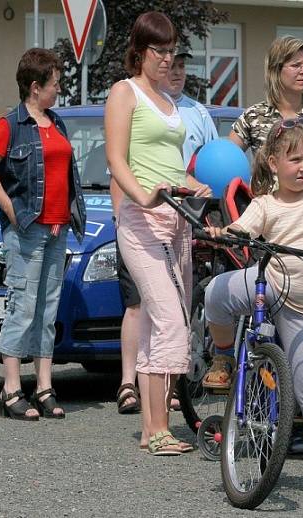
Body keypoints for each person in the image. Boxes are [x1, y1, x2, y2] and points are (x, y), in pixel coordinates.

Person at [203, 120, 303, 499]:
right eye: (295, 160)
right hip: (269, 286)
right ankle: (223, 359)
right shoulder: (265, 204)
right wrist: (226, 233)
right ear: (273, 163)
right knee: (214, 293)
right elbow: (243, 229)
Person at [104, 11, 210, 455]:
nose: (168, 59)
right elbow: (116, 160)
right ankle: (162, 426)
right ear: (140, 52)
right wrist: (143, 198)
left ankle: (152, 429)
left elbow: (172, 161)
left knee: (155, 323)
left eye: (173, 51)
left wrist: (196, 186)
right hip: (142, 219)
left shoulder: (169, 102)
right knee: (169, 319)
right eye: (161, 51)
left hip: (178, 217)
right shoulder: (124, 93)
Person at [0, 48, 86, 420]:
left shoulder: (57, 122)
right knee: (21, 307)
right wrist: (11, 209)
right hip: (27, 232)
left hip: (57, 231)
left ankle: (44, 387)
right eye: (55, 84)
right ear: (36, 87)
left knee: (47, 310)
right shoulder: (11, 124)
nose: (59, 90)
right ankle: (9, 390)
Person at [227, 35, 303, 183]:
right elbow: (226, 159)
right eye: (296, 65)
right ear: (276, 69)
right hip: (266, 204)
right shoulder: (253, 116)